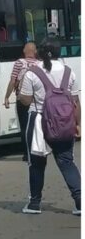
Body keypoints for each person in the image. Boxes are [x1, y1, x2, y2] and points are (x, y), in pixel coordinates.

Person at [18, 38, 81, 215]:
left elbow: (26, 100)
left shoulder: (32, 73)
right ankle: (80, 201)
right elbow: (75, 102)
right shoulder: (69, 72)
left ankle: (34, 203)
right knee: (67, 161)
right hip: (64, 122)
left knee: (36, 164)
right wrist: (78, 124)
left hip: (38, 121)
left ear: (40, 52)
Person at [3, 42, 39, 161]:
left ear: (24, 51)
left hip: (22, 99)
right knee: (36, 125)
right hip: (37, 99)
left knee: (24, 126)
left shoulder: (19, 63)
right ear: (35, 52)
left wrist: (7, 97)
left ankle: (27, 153)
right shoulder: (40, 64)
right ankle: (38, 150)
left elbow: (13, 81)